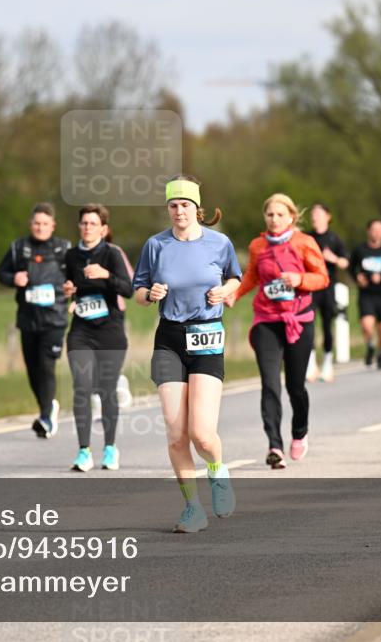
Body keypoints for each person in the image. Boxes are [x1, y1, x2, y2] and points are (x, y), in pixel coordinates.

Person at [133, 175, 241, 533]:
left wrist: (224, 290)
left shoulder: (219, 243)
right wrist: (152, 294)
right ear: (168, 209)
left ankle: (217, 470)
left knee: (202, 434)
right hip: (170, 338)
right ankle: (192, 508)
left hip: (207, 336)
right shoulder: (155, 245)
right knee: (176, 433)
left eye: (185, 205)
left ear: (197, 209)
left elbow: (235, 279)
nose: (179, 211)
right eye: (173, 205)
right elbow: (138, 291)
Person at [229, 194, 328, 470]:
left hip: (299, 320)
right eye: (270, 215)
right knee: (270, 384)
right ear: (265, 218)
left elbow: (323, 278)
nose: (275, 220)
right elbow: (252, 276)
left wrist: (300, 279)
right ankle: (274, 445)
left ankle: (299, 431)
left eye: (280, 215)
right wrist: (234, 294)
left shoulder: (304, 243)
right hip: (266, 320)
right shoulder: (258, 246)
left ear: (292, 218)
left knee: (295, 386)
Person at [62, 204, 133, 472]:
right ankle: (83, 451)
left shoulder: (111, 254)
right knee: (81, 388)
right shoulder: (71, 256)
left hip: (110, 332)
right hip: (81, 330)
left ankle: (110, 448)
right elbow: (68, 287)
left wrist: (106, 275)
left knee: (106, 390)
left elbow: (127, 289)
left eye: (93, 223)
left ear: (102, 228)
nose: (87, 227)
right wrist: (68, 291)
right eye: (84, 223)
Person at [0, 203, 71, 438]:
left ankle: (47, 417)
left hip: (55, 318)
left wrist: (72, 289)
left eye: (45, 224)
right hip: (28, 319)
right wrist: (13, 278)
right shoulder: (19, 248)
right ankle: (47, 408)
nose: (40, 227)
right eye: (36, 223)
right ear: (31, 225)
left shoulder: (63, 249)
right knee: (33, 370)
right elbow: (1, 272)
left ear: (53, 226)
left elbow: (76, 277)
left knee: (46, 365)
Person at [349, 219, 381, 370]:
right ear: (368, 231)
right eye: (375, 229)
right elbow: (351, 268)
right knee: (367, 325)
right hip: (366, 294)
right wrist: (357, 278)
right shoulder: (360, 250)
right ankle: (370, 345)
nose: (378, 233)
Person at [306, 204, 349, 383]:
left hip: (328, 287)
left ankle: (328, 363)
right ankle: (311, 364)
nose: (315, 216)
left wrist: (333, 258)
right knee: (308, 325)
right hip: (310, 287)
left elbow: (345, 263)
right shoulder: (307, 238)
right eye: (313, 213)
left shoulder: (334, 239)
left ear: (327, 216)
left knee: (326, 325)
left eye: (318, 213)